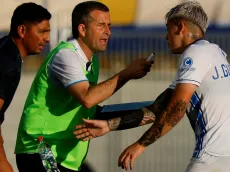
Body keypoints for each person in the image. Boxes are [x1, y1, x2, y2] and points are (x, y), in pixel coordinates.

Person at [74, 1, 230, 172]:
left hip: (212, 157)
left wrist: (140, 145)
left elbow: (176, 109)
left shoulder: (193, 54)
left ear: (180, 27)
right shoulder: (216, 53)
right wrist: (109, 125)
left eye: (168, 30)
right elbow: (159, 108)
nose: (165, 37)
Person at [14, 1, 153, 172]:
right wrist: (127, 73)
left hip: (66, 157)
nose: (108, 32)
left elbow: (90, 108)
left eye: (109, 26)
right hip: (40, 149)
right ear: (82, 29)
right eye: (101, 25)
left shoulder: (92, 60)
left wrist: (151, 108)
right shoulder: (66, 55)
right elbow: (88, 98)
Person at [0, 3, 51, 171]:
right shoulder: (8, 62)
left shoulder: (5, 49)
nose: (47, 38)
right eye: (42, 31)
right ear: (22, 31)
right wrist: (2, 163)